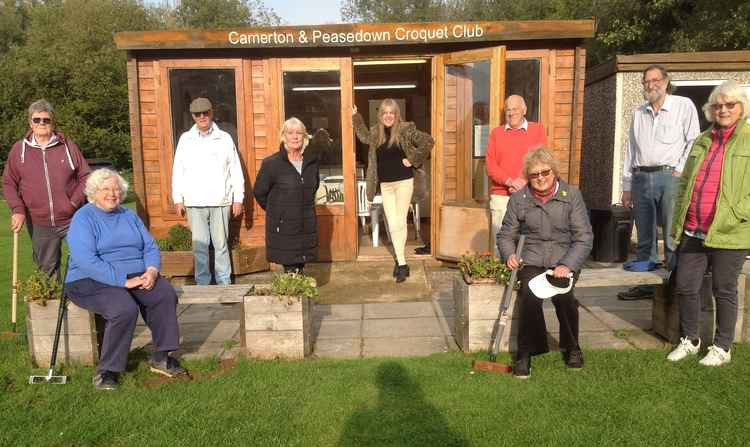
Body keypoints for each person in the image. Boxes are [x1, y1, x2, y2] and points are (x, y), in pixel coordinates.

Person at [64, 169, 186, 390]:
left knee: (164, 294)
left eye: (117, 189)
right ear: (93, 192)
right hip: (89, 278)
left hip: (134, 274)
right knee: (123, 308)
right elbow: (86, 260)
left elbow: (149, 246)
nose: (113, 193)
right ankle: (107, 370)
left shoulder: (128, 215)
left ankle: (161, 356)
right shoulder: (84, 218)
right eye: (106, 189)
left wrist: (151, 271)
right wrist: (123, 281)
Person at [666, 81, 750, 366]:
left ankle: (723, 347)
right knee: (686, 286)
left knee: (724, 289)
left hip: (730, 230)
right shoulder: (702, 140)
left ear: (741, 108)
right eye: (718, 105)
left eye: (730, 105)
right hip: (694, 228)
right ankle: (690, 340)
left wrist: (739, 211)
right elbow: (687, 183)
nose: (723, 109)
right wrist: (678, 219)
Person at [498, 148, 593, 379]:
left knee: (565, 297)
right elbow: (505, 235)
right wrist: (509, 254)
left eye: (545, 172)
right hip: (531, 258)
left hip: (563, 259)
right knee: (530, 295)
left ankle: (572, 347)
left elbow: (584, 237)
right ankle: (526, 352)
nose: (540, 177)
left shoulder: (571, 195)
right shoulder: (519, 199)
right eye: (534, 174)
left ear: (554, 172)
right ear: (528, 177)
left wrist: (568, 265)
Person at [618, 65, 700, 300]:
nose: (650, 85)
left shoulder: (683, 106)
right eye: (646, 81)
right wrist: (627, 186)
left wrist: (680, 171)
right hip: (641, 177)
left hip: (670, 177)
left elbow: (693, 142)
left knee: (672, 236)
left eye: (655, 80)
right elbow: (631, 150)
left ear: (666, 82)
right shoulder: (638, 113)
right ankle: (646, 286)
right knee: (645, 235)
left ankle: (675, 286)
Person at [3, 99, 91, 278]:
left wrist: (73, 203)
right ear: (30, 123)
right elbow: (8, 183)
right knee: (47, 272)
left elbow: (86, 176)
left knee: (87, 262)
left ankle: (83, 303)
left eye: (46, 119)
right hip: (39, 223)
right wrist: (18, 210)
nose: (42, 123)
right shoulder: (18, 150)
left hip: (73, 219)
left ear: (53, 122)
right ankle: (51, 304)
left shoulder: (68, 146)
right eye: (37, 120)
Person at [353, 99, 434, 282]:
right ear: (380, 115)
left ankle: (402, 264)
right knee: (392, 222)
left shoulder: (406, 129)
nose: (388, 116)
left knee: (399, 222)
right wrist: (355, 116)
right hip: (386, 185)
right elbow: (363, 136)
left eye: (392, 112)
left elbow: (428, 141)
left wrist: (412, 159)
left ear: (396, 115)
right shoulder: (375, 133)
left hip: (404, 182)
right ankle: (401, 261)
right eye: (384, 113)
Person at [171, 97, 245, 285]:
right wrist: (177, 198)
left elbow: (235, 169)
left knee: (221, 246)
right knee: (200, 247)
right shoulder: (185, 139)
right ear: (193, 116)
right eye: (198, 114)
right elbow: (178, 170)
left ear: (212, 113)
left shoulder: (225, 138)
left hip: (220, 200)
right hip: (194, 201)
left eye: (206, 112)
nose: (202, 116)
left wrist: (238, 198)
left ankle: (224, 283)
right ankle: (203, 285)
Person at [254, 117, 320, 273]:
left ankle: (300, 296)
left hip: (305, 225)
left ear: (305, 137)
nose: (295, 137)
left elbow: (313, 187)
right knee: (291, 268)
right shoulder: (272, 164)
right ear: (283, 136)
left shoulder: (312, 163)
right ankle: (295, 296)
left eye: (299, 133)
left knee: (300, 267)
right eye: (290, 133)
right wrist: (278, 211)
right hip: (285, 228)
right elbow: (259, 192)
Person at [486, 95, 547, 256]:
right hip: (502, 195)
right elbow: (491, 164)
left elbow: (540, 159)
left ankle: (523, 278)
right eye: (508, 109)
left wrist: (524, 180)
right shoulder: (496, 133)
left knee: (530, 242)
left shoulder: (538, 130)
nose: (511, 113)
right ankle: (501, 278)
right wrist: (509, 181)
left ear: (524, 110)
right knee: (501, 242)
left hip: (530, 194)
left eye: (515, 109)